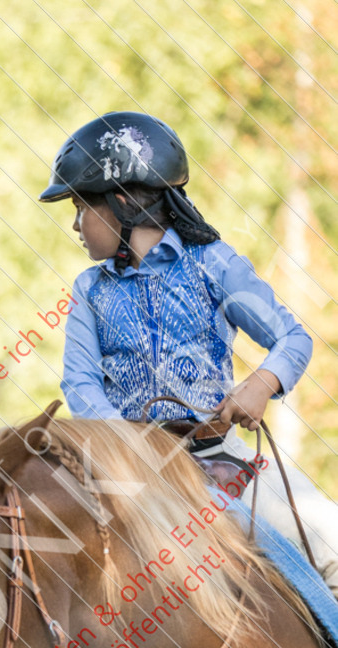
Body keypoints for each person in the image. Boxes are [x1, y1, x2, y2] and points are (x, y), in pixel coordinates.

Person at [39, 111, 338, 595]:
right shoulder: (88, 290)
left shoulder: (215, 264)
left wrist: (261, 384)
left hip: (220, 454)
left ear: (120, 203)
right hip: (131, 470)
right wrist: (130, 449)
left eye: (80, 208)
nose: (75, 225)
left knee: (334, 543)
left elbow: (292, 338)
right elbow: (80, 385)